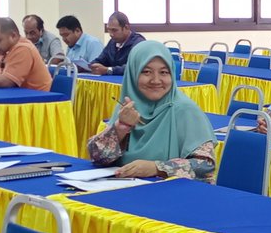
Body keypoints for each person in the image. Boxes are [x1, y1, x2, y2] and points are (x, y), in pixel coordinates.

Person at [88, 40, 216, 180]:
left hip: (173, 190)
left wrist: (157, 168)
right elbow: (97, 157)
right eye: (146, 72)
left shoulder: (185, 110)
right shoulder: (128, 108)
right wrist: (121, 128)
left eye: (164, 72)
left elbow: (205, 165)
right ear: (133, 74)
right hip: (126, 188)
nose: (155, 80)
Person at [89, 11, 143, 76]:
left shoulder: (138, 43)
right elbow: (100, 60)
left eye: (114, 30)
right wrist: (91, 66)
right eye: (108, 30)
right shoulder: (112, 42)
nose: (111, 34)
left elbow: (134, 67)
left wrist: (108, 70)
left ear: (126, 27)